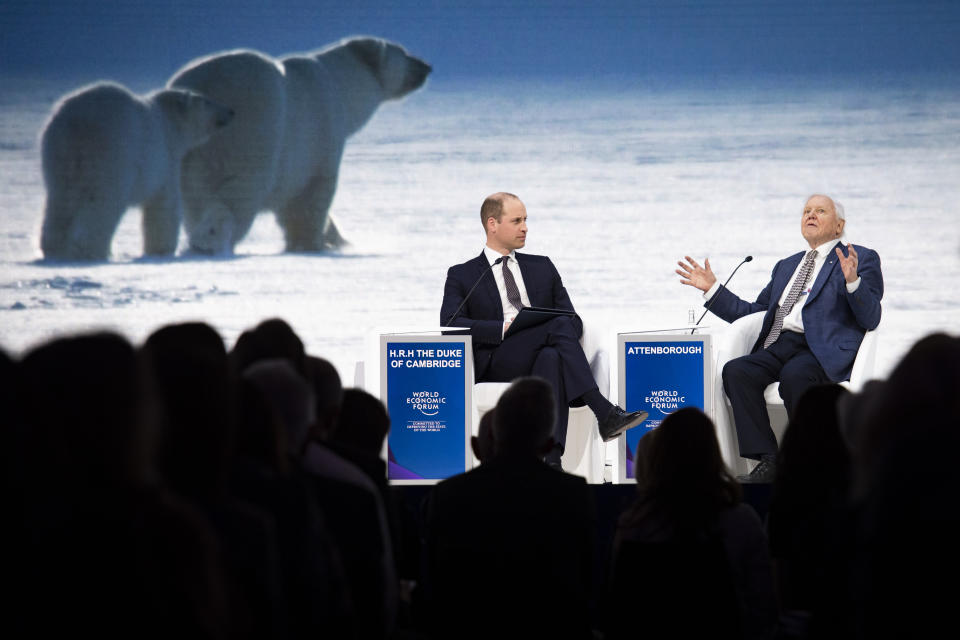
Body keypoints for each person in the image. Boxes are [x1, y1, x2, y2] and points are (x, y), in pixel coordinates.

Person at [676, 194, 883, 482]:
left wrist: (853, 281)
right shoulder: (787, 265)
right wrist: (713, 289)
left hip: (819, 350)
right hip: (779, 343)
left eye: (820, 211)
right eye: (807, 211)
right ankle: (770, 460)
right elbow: (755, 313)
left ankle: (809, 462)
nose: (811, 215)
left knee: (795, 376)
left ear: (839, 226)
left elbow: (871, 317)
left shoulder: (860, 257)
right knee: (736, 371)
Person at [441, 191, 647, 467]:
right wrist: (503, 328)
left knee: (551, 355)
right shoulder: (463, 274)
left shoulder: (542, 266)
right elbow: (450, 325)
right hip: (499, 358)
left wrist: (543, 329)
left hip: (545, 350)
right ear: (492, 224)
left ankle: (551, 459)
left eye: (526, 220)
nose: (525, 227)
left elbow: (573, 321)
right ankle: (602, 409)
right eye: (516, 221)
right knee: (556, 330)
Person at [422, 376, 596, 639]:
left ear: (490, 436)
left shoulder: (447, 495)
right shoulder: (573, 493)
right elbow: (589, 584)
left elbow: (431, 590)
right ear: (549, 445)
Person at [609, 407, 777, 640]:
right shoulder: (741, 521)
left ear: (660, 454)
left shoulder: (635, 524)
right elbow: (763, 608)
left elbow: (620, 613)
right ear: (713, 453)